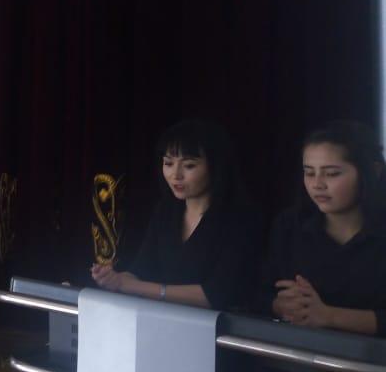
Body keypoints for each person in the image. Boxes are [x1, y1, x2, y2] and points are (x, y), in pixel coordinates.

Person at [91, 119, 261, 310]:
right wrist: (113, 278)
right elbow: (141, 269)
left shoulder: (241, 219)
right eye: (168, 163)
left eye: (189, 166)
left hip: (216, 325)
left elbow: (216, 294)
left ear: (215, 166)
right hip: (163, 319)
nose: (175, 175)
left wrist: (132, 286)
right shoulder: (166, 211)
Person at [266, 121, 386, 337]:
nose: (317, 184)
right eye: (309, 173)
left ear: (373, 171)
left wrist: (329, 315)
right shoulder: (289, 225)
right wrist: (279, 304)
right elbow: (257, 291)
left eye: (331, 174)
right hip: (297, 351)